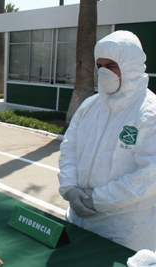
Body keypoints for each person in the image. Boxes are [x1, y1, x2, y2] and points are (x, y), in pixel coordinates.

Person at [58, 30, 156, 251]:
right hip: (77, 219)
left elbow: (150, 176)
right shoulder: (90, 106)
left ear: (130, 67)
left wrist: (99, 199)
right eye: (99, 66)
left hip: (123, 231)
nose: (104, 73)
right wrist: (70, 189)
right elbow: (69, 148)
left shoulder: (149, 113)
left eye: (111, 66)